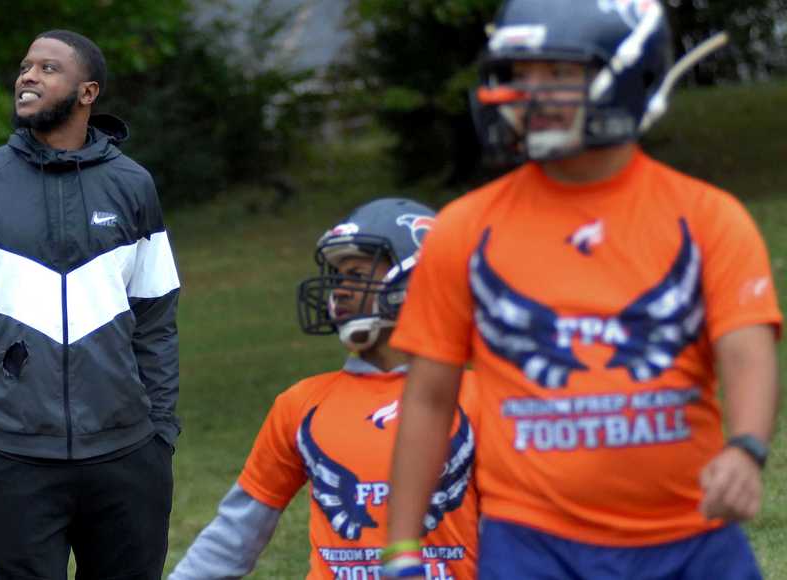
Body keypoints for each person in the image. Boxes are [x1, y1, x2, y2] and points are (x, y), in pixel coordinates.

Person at [383, 1, 782, 578]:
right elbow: (428, 396)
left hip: (692, 536)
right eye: (522, 74)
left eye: (560, 73)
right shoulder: (467, 229)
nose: (531, 93)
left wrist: (745, 449)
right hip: (532, 542)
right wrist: (401, 547)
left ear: (631, 75)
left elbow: (747, 349)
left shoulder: (705, 217)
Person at [0, 29, 180, 580]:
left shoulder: (133, 185)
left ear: (87, 92)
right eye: (24, 67)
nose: (28, 77)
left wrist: (159, 435)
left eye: (47, 68)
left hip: (128, 454)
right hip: (9, 456)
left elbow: (157, 318)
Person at [169, 198, 479, 580]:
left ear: (420, 277)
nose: (339, 292)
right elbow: (236, 533)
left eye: (355, 274)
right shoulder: (302, 405)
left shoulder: (477, 396)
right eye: (337, 277)